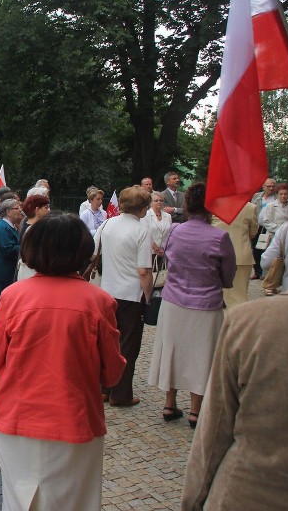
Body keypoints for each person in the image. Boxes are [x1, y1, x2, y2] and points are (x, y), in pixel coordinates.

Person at [181, 190, 288, 510]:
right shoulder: (246, 321)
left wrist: (193, 501)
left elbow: (214, 431)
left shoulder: (247, 323)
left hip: (242, 494)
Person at [0, 213, 126, 511]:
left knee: (19, 501)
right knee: (74, 501)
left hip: (16, 418)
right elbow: (112, 374)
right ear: (82, 252)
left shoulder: (12, 296)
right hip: (74, 419)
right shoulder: (99, 302)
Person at [148, 182, 236, 428]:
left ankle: (169, 402)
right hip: (206, 304)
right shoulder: (220, 237)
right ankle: (196, 409)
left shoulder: (175, 231)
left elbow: (167, 257)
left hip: (174, 300)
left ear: (186, 205)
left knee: (173, 349)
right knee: (202, 354)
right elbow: (228, 278)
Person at [94, 185, 153, 407]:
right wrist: (147, 295)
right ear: (142, 208)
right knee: (128, 344)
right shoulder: (141, 230)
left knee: (108, 341)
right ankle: (121, 393)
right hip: (131, 293)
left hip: (108, 290)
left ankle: (104, 387)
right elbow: (143, 271)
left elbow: (93, 250)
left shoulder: (108, 223)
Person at [212, 201, 258, 307]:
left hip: (217, 255)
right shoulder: (250, 207)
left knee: (219, 295)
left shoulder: (213, 205)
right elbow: (253, 232)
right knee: (240, 296)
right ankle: (239, 321)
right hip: (241, 254)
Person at [249, 178, 276, 279]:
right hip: (257, 226)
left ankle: (266, 273)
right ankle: (257, 271)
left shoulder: (276, 198)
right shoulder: (257, 196)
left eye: (273, 186)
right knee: (256, 249)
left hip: (269, 227)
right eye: (269, 186)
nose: (272, 188)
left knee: (268, 249)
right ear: (263, 187)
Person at [145, 191, 173, 269]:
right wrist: (155, 247)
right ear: (151, 202)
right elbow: (145, 233)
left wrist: (164, 248)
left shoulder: (168, 216)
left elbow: (170, 234)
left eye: (161, 200)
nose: (159, 202)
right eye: (156, 200)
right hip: (150, 252)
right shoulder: (145, 215)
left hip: (164, 252)